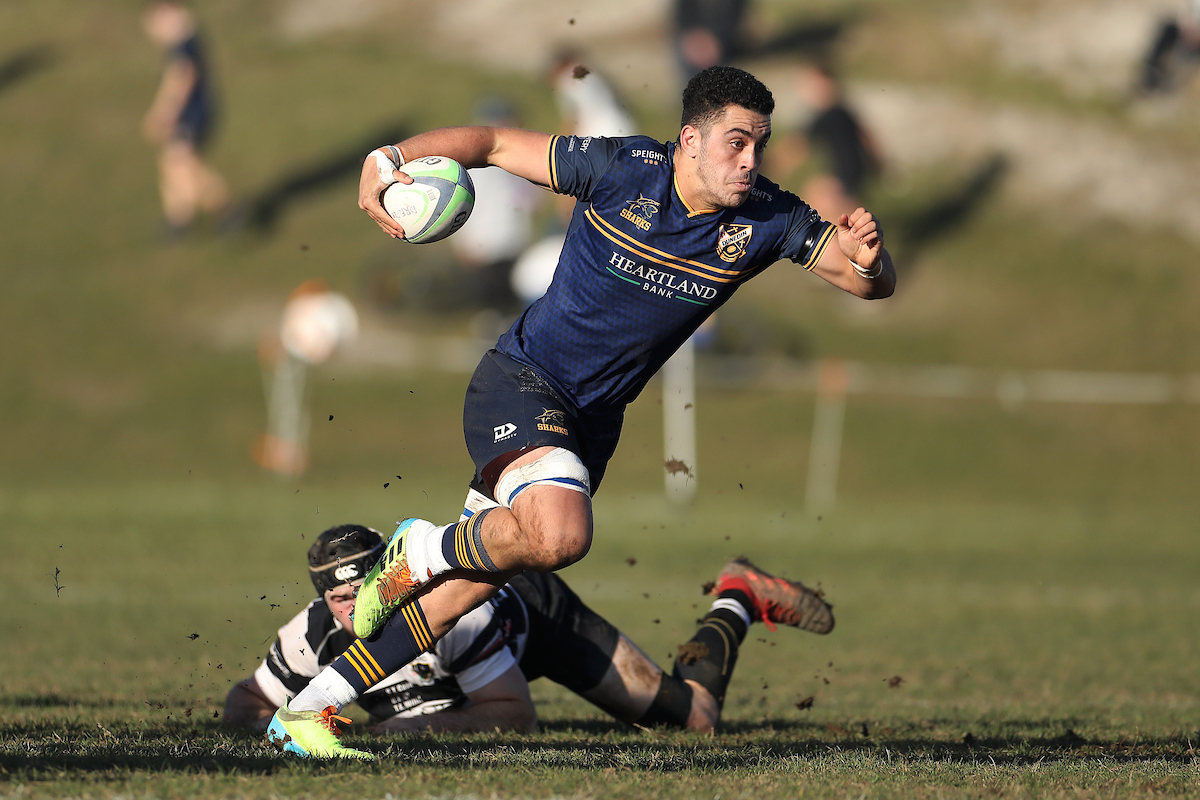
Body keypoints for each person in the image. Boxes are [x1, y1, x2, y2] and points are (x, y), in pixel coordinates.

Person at [266, 65, 894, 755]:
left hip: (592, 423)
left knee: (457, 599)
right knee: (561, 538)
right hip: (523, 381)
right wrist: (387, 159)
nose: (750, 161)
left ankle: (303, 713)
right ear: (690, 140)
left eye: (760, 145)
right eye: (735, 143)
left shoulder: (771, 217)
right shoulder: (623, 167)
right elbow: (497, 144)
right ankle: (421, 547)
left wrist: (871, 260)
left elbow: (866, 283)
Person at [247, 525, 834, 758]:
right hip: (484, 659)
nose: (354, 613)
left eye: (366, 592)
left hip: (542, 620)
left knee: (697, 719)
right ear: (321, 602)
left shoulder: (454, 618)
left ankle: (738, 593)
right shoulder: (308, 637)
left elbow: (514, 714)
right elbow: (246, 702)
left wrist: (407, 730)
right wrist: (263, 733)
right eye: (339, 602)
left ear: (391, 578)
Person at [141, 1, 231, 236]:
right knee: (175, 164)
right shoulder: (186, 42)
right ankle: (180, 219)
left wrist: (163, 113)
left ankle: (223, 212)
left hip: (191, 113)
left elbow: (183, 77)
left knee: (182, 165)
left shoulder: (183, 45)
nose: (152, 30)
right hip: (192, 111)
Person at [1136, 0, 1200, 95]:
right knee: (1167, 28)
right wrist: (1188, 29)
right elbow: (1186, 15)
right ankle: (1151, 73)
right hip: (1189, 34)